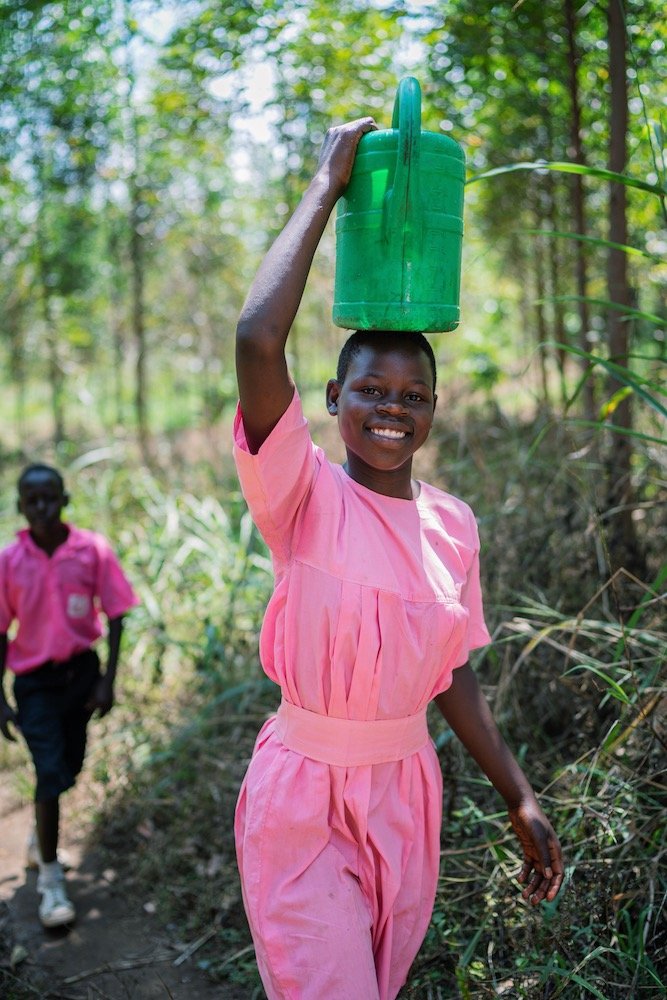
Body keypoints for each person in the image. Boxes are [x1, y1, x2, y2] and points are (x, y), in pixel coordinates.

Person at [233, 116, 563, 1000]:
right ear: (333, 396)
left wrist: (517, 794)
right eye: (370, 390)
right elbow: (256, 341)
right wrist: (326, 184)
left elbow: (447, 669)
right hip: (301, 799)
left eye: (412, 395)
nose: (391, 409)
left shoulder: (452, 526)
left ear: (433, 408)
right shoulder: (299, 495)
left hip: (404, 798)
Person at [0, 463, 139, 928]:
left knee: (69, 768)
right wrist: (0, 698)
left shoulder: (91, 551)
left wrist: (108, 681)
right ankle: (51, 882)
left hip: (81, 676)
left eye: (49, 498)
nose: (41, 508)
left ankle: (41, 837)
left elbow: (117, 614)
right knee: (48, 772)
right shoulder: (9, 562)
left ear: (64, 501)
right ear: (20, 506)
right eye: (31, 500)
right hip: (35, 683)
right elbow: (2, 631)